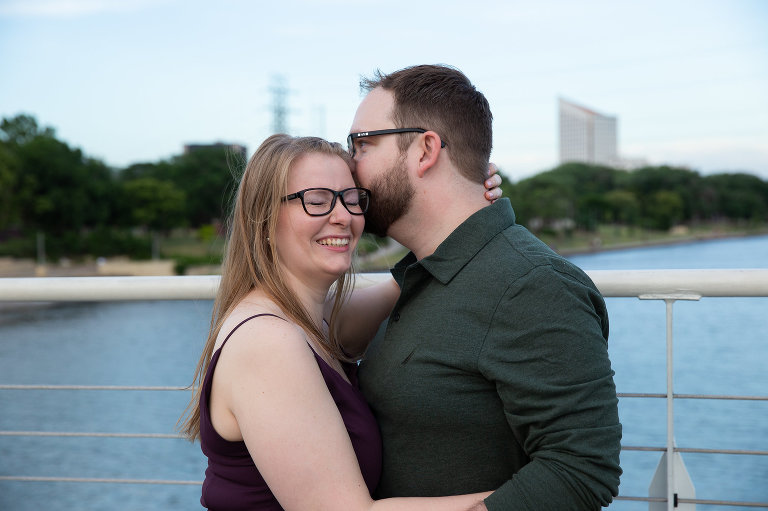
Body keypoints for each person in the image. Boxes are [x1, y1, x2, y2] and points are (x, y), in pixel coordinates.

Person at [349, 65, 622, 511]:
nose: (350, 163)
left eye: (362, 143)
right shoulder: (428, 273)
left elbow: (581, 470)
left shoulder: (532, 285)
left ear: (425, 150)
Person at [179, 133, 501, 510]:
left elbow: (407, 279)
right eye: (316, 201)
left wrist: (461, 202)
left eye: (352, 200)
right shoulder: (268, 342)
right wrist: (537, 492)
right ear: (262, 218)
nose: (342, 217)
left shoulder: (313, 319)